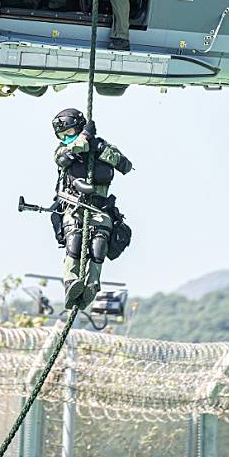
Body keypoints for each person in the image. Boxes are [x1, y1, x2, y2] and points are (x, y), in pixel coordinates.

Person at [51, 108, 132, 309]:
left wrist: (100, 148)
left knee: (99, 244)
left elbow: (126, 165)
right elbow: (69, 154)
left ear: (78, 128)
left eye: (69, 133)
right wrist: (83, 138)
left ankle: (92, 285)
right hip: (73, 206)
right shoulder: (62, 150)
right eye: (62, 135)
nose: (66, 138)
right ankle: (70, 283)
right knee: (75, 240)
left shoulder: (101, 147)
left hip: (100, 208)